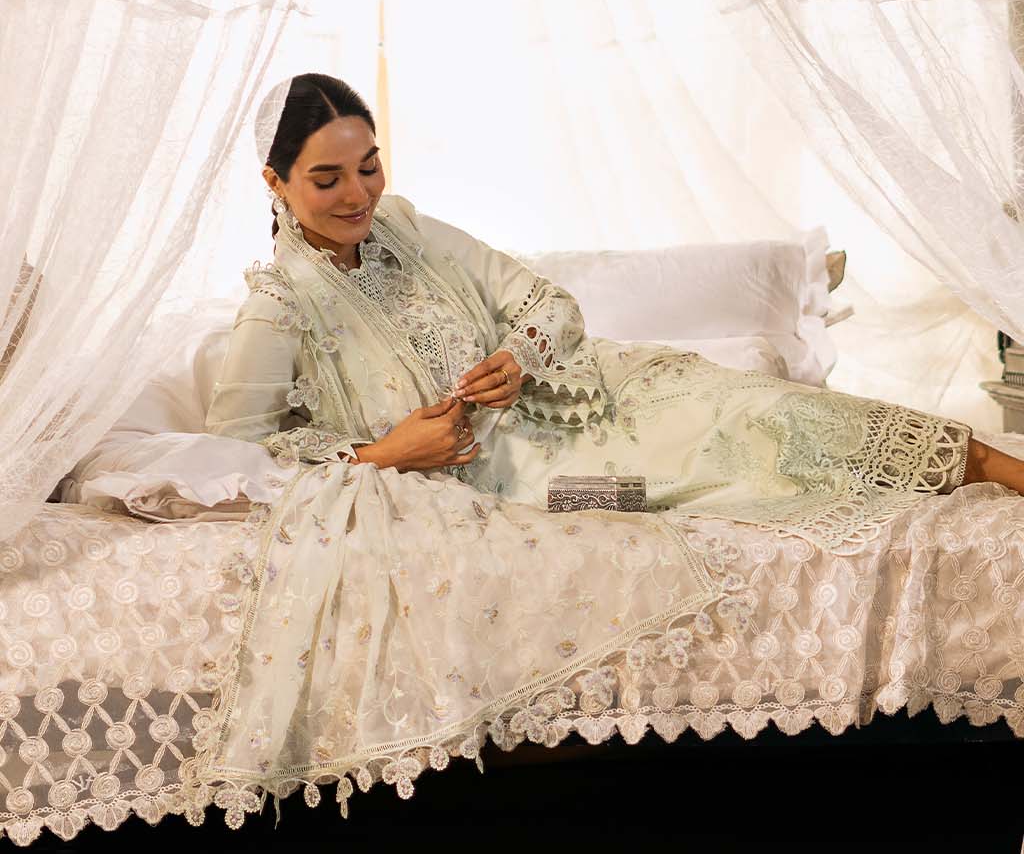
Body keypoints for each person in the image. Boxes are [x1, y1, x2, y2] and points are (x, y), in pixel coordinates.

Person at [205, 72, 1024, 557]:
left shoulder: (407, 228)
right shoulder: (279, 308)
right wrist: (385, 454)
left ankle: (994, 465)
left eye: (369, 166)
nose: (359, 195)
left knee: (768, 408)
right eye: (328, 179)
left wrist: (518, 359)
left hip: (605, 392)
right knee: (732, 474)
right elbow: (235, 455)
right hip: (541, 482)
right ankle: (971, 469)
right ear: (276, 182)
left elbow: (546, 303)